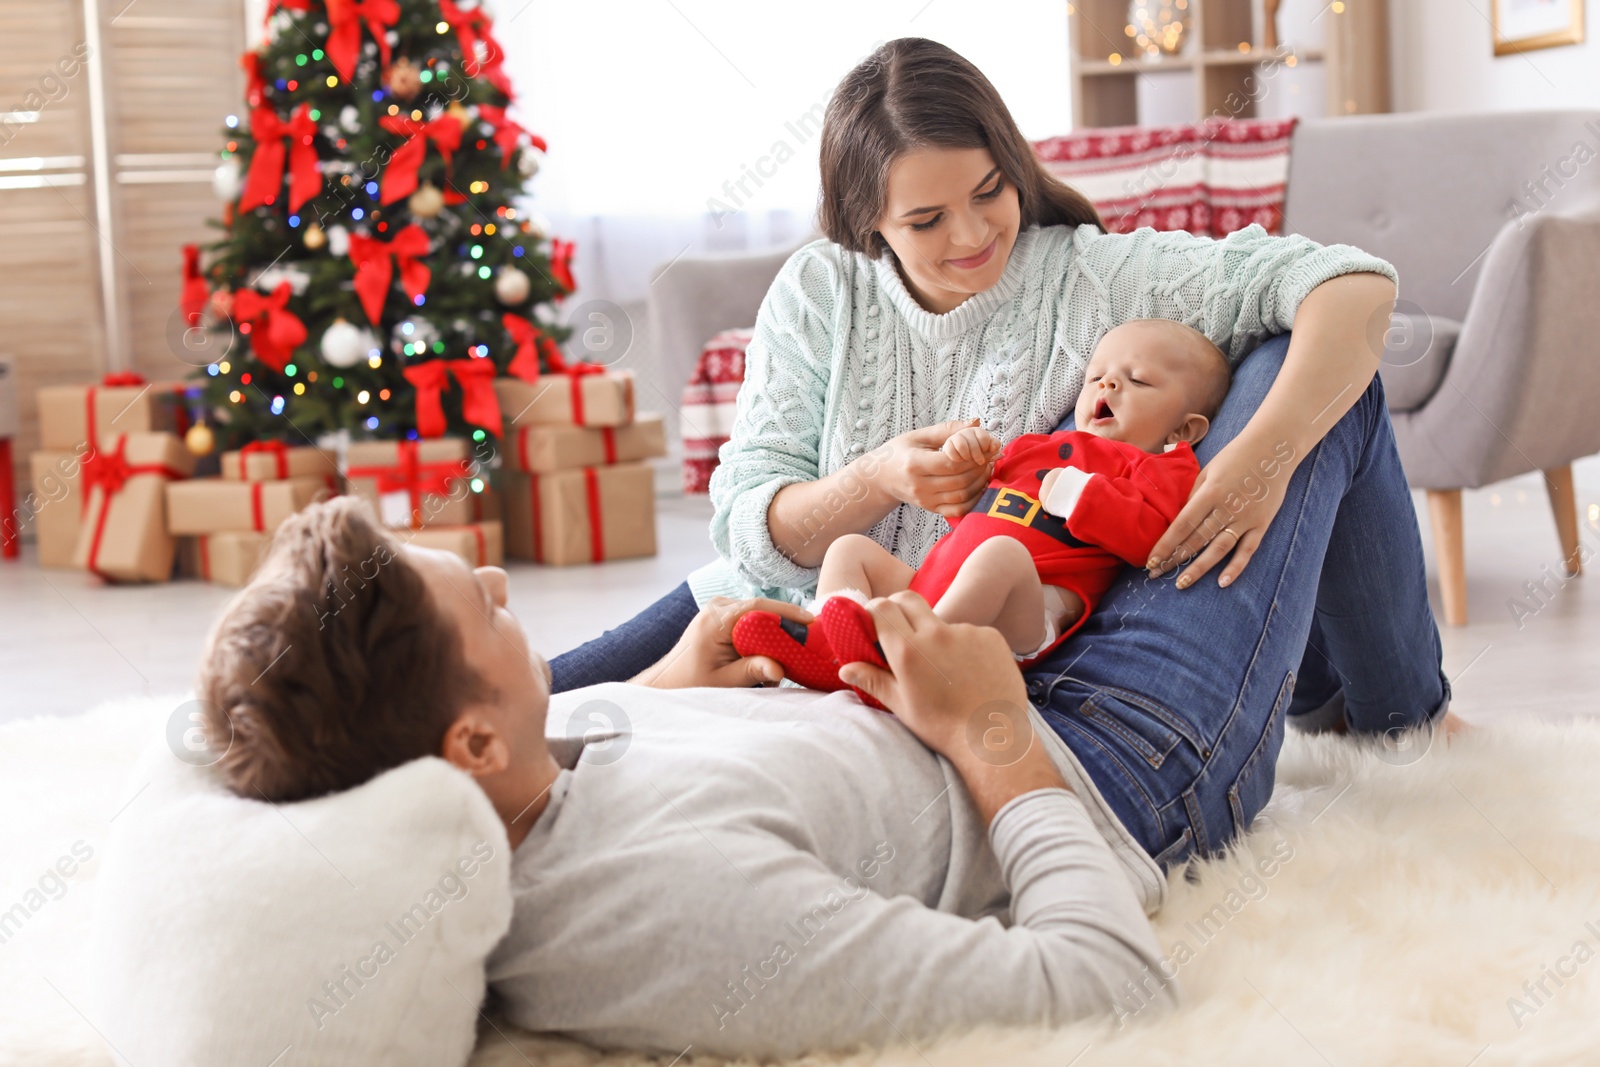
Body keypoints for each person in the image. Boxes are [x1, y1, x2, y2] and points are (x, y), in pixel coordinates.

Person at [550, 37, 1456, 867]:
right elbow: (749, 528)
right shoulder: (821, 290)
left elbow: (1350, 282)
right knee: (515, 704)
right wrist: (875, 478)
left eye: (990, 191)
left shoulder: (1085, 274)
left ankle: (1385, 710)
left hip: (996, 631)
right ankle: (1359, 699)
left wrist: (1257, 459)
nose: (974, 235)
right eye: (927, 219)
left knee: (1300, 371)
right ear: (868, 223)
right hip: (802, 601)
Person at [197, 497, 1178, 1058]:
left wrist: (666, 686)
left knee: (1098, 431)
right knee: (1300, 361)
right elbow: (1109, 980)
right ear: (474, 745)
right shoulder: (670, 909)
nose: (501, 584)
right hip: (1103, 760)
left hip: (961, 679)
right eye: (483, 612)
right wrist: (995, 729)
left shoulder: (497, 772)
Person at [735, 318, 1228, 705]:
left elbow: (1153, 541)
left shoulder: (1160, 467)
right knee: (851, 549)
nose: (1107, 386)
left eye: (1137, 381)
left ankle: (913, 660)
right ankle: (829, 642)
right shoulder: (1037, 447)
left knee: (1001, 555)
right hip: (936, 589)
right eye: (1096, 376)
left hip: (1024, 613)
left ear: (1182, 430)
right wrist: (966, 467)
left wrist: (1084, 495)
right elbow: (976, 516)